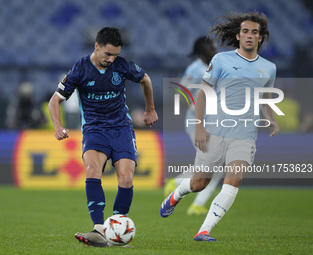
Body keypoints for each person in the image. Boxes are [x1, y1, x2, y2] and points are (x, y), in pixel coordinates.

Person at [160, 12, 279, 241]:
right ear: (238, 35)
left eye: (255, 32)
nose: (250, 36)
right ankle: (177, 193)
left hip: (245, 135)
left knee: (233, 179)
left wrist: (271, 118)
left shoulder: (269, 68)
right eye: (245, 31)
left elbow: (264, 97)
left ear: (261, 38)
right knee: (199, 183)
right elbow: (203, 93)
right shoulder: (221, 60)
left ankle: (204, 230)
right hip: (215, 130)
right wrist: (199, 127)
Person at [48, 27, 158, 247]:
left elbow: (145, 79)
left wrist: (149, 109)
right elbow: (55, 100)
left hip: (121, 128)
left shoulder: (122, 65)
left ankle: (117, 228)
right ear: (96, 46)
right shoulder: (80, 69)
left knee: (126, 178)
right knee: (92, 170)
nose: (111, 59)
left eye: (115, 54)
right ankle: (99, 229)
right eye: (108, 54)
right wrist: (58, 127)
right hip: (95, 129)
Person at [164, 36, 224, 216]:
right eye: (211, 50)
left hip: (215, 122)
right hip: (196, 123)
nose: (215, 52)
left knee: (212, 164)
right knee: (214, 164)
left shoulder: (219, 66)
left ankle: (177, 183)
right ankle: (196, 204)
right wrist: (192, 104)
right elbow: (181, 91)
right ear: (201, 53)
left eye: (215, 48)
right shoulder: (195, 69)